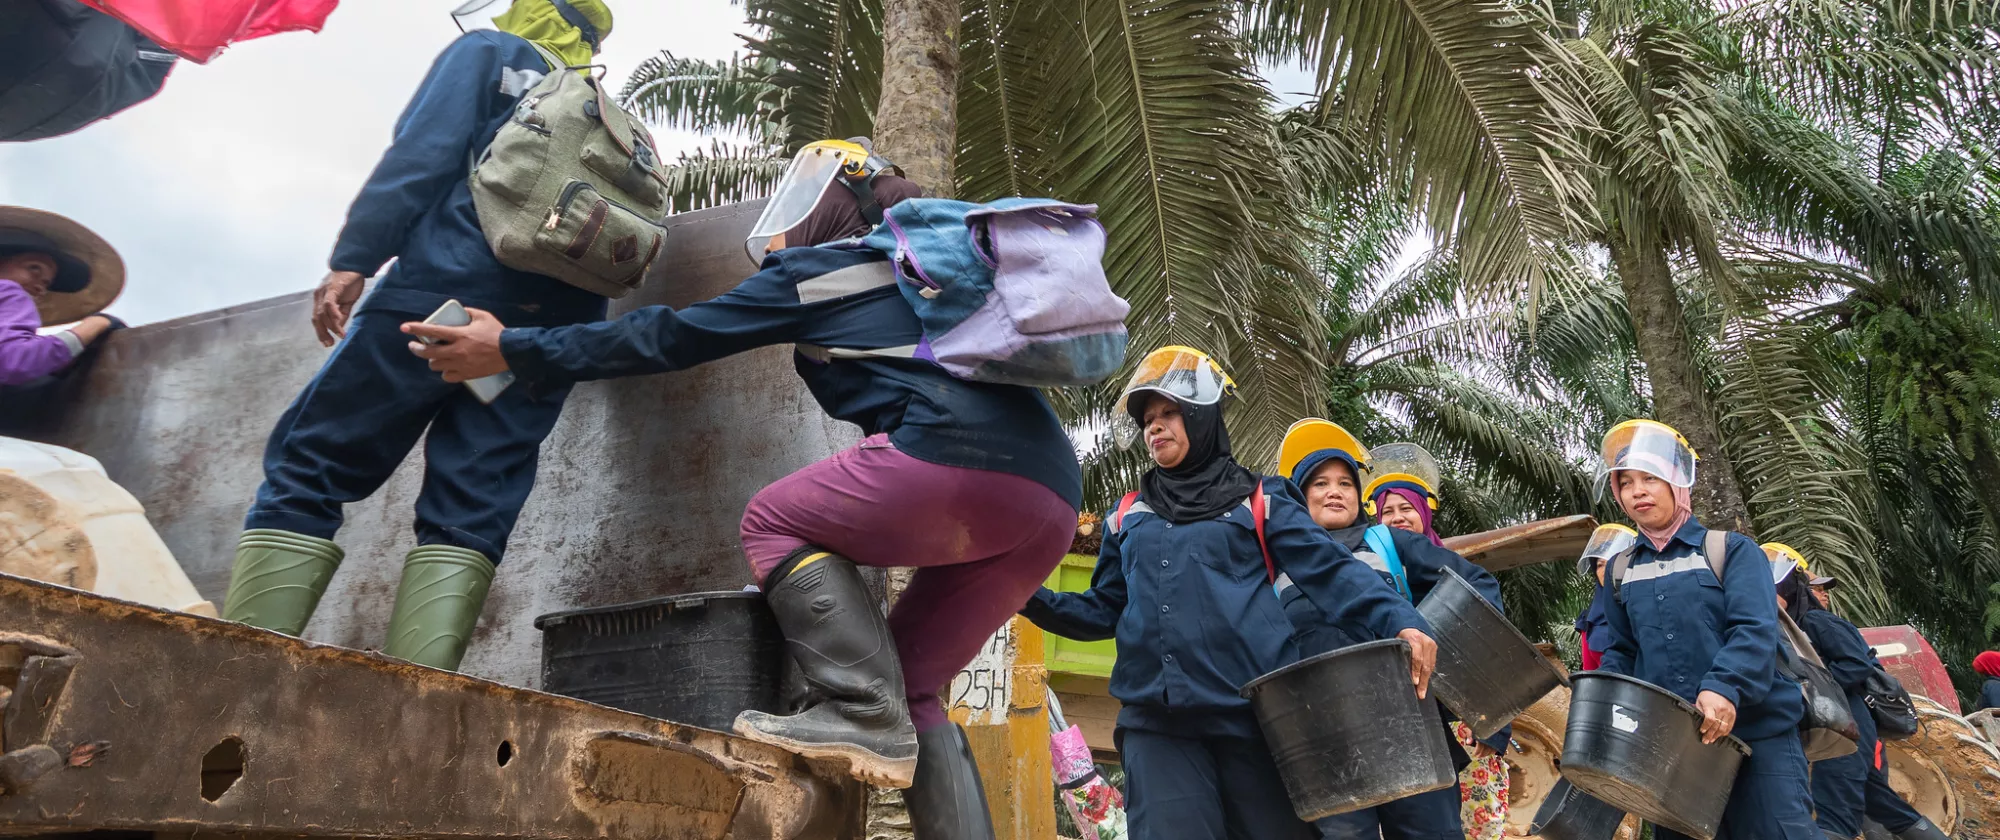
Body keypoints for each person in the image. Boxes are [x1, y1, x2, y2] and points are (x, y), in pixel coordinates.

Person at [403, 140, 1071, 836]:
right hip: (1047, 502)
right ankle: (879, 710)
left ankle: (860, 709)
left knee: (774, 520)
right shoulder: (926, 283)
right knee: (914, 686)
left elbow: (670, 336)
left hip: (956, 463)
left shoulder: (824, 272)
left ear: (843, 203)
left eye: (807, 192)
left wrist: (513, 348)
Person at [218, 0, 620, 673]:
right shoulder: (604, 111)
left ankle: (233, 670)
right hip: (539, 335)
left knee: (315, 462)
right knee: (475, 494)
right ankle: (419, 694)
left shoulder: (493, 54)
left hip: (450, 298)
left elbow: (423, 153)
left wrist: (355, 257)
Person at [1015, 349, 1438, 840]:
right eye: (1148, 419)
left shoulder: (1262, 500)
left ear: (1203, 415)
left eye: (1169, 412)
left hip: (1256, 720)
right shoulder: (1127, 514)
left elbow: (1331, 571)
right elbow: (1103, 610)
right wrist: (1027, 596)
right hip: (1158, 724)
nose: (1156, 427)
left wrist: (1402, 621)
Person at [1589, 419, 1818, 840]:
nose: (1637, 491)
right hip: (1673, 748)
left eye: (1650, 478)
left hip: (1757, 733)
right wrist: (1604, 699)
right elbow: (1623, 651)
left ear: (1678, 483)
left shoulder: (1731, 550)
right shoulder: (1621, 571)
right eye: (1626, 483)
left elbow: (1754, 629)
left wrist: (1724, 686)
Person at [1280, 424, 1508, 840]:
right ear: (1298, 495)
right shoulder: (1275, 561)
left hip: (1411, 729)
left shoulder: (1387, 542)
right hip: (1324, 741)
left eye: (1346, 483)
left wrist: (1473, 685)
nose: (1335, 492)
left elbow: (1477, 589)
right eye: (1321, 483)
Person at [1770, 545, 1947, 840]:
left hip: (1845, 724)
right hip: (1848, 722)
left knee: (1834, 811)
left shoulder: (1815, 622)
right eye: (1816, 587)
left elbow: (1856, 664)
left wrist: (1815, 692)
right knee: (1887, 808)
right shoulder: (1799, 627)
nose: (1822, 593)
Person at [0, 207, 124, 431]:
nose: (39, 286)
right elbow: (14, 361)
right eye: (33, 269)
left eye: (46, 283)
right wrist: (97, 324)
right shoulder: (8, 290)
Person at [1574, 524, 1637, 672]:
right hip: (1608, 693)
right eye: (1600, 565)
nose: (1606, 570)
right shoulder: (1590, 620)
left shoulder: (1646, 607)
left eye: (1611, 563)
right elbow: (1590, 670)